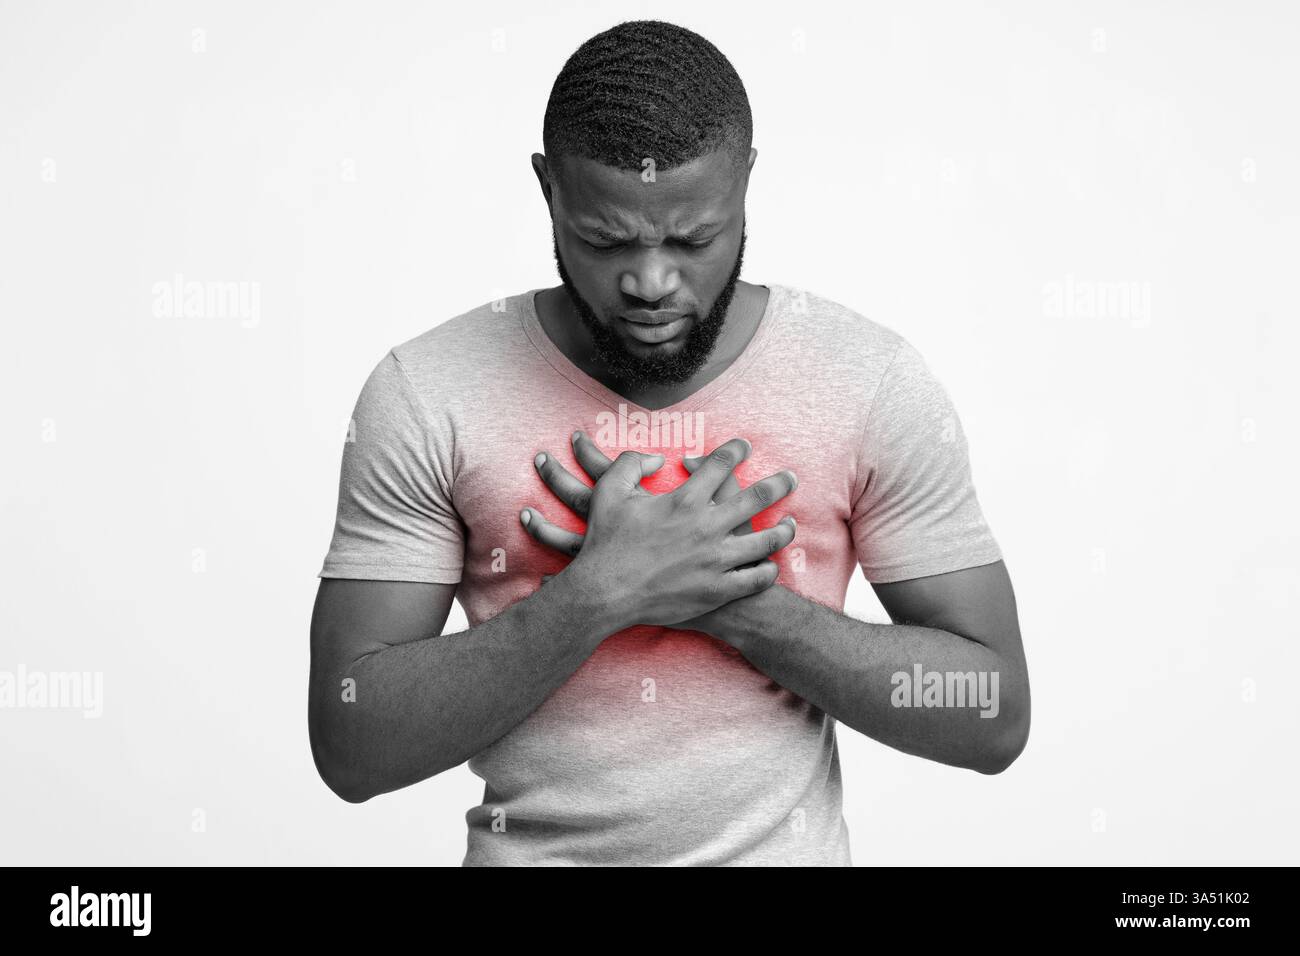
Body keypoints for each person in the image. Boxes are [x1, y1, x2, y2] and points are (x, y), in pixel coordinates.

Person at [308, 19, 1029, 866]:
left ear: (747, 183)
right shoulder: (428, 390)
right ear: (548, 191)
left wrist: (732, 601)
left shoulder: (869, 379)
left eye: (693, 239)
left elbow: (993, 716)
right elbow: (351, 745)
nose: (651, 283)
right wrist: (597, 596)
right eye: (606, 239)